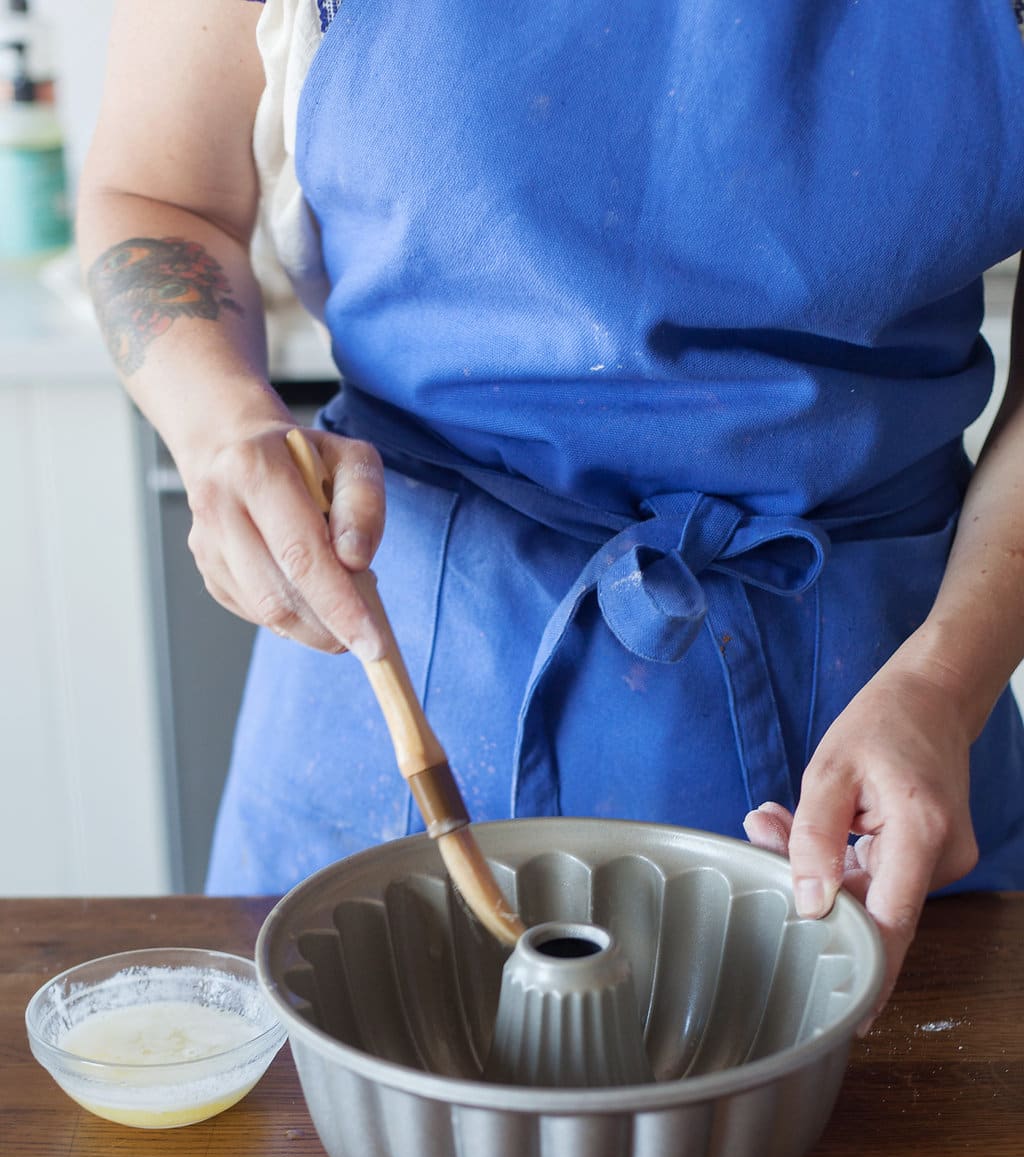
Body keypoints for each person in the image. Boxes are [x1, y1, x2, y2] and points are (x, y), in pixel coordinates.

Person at [78, 0, 1024, 1019]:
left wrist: (945, 683)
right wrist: (219, 425)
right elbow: (158, 192)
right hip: (406, 686)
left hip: (890, 725)